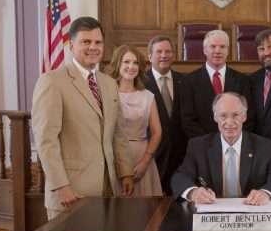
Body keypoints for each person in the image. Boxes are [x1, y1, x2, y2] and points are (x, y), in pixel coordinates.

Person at [31, 17, 134, 220]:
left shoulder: (109, 83)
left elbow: (118, 134)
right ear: (71, 45)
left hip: (107, 187)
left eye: (98, 42)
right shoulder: (52, 81)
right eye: (86, 41)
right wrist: (61, 185)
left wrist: (125, 172)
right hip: (71, 191)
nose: (93, 47)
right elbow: (46, 141)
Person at [171, 92, 271, 205]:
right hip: (213, 216)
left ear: (244, 116)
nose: (229, 122)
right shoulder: (198, 146)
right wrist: (193, 192)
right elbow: (180, 177)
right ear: (215, 117)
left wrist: (266, 193)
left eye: (235, 115)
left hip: (252, 213)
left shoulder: (265, 146)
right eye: (223, 116)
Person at [107, 45, 163, 196]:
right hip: (113, 156)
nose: (131, 67)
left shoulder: (148, 96)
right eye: (126, 62)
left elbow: (157, 132)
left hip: (142, 155)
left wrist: (145, 161)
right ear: (118, 64)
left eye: (136, 62)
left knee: (144, 212)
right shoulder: (106, 93)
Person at [181, 30, 256, 139]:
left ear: (228, 50)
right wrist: (211, 143)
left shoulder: (243, 80)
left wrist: (232, 140)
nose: (217, 51)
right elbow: (188, 121)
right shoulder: (189, 81)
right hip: (202, 146)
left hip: (236, 144)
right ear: (204, 50)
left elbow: (250, 117)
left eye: (222, 47)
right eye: (212, 46)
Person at [144, 36, 187, 195]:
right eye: (159, 51)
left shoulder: (185, 81)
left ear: (173, 55)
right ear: (150, 56)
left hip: (181, 157)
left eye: (168, 51)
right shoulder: (140, 82)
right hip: (153, 156)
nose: (164, 55)